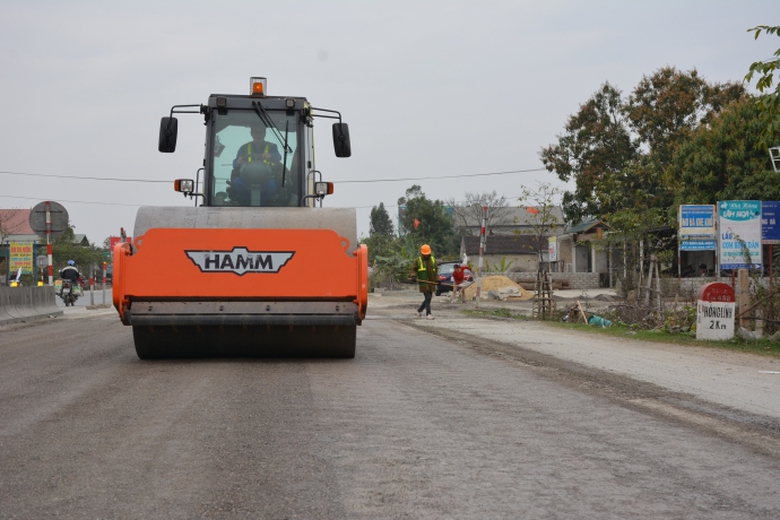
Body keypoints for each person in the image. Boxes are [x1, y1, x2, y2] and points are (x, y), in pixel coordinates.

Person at [228, 125, 283, 205]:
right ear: (251, 133)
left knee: (272, 185)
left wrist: (271, 156)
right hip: (246, 180)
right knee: (237, 182)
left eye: (261, 132)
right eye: (256, 132)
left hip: (267, 180)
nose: (258, 134)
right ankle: (249, 203)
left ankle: (261, 204)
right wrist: (238, 162)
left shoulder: (272, 147)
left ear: (264, 133)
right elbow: (235, 164)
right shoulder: (244, 148)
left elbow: (278, 157)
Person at [411, 244, 438, 319]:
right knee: (428, 297)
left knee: (428, 298)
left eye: (427, 254)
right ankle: (428, 314)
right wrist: (413, 276)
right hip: (424, 283)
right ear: (422, 253)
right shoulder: (418, 260)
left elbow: (436, 271)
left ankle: (419, 311)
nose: (426, 255)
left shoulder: (433, 260)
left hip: (431, 282)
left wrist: (437, 279)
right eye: (425, 254)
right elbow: (412, 269)